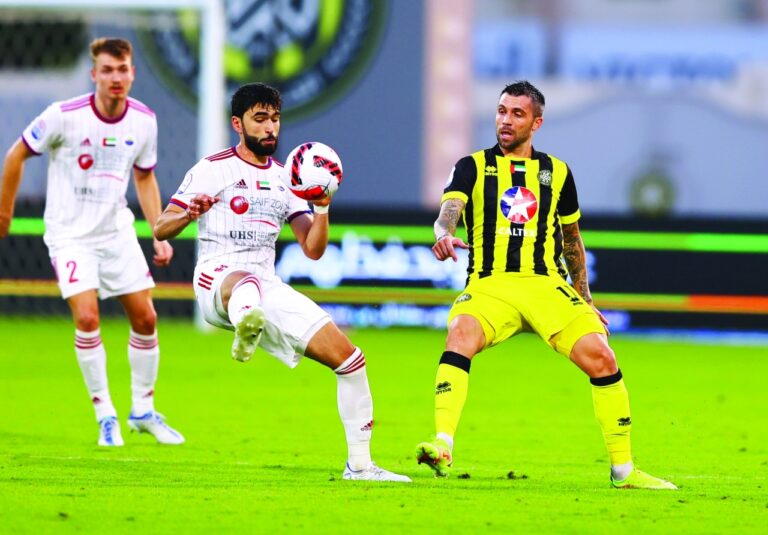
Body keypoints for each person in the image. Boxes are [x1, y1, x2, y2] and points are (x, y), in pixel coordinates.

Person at [414, 81, 676, 490]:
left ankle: (624, 471)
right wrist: (444, 233)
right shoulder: (472, 166)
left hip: (546, 284)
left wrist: (585, 300)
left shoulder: (558, 172)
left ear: (536, 123)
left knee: (602, 357)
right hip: (491, 284)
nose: (505, 120)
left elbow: (571, 239)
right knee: (459, 334)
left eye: (517, 114)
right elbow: (450, 210)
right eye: (501, 111)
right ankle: (443, 445)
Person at [154, 82, 410, 482]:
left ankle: (360, 467)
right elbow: (160, 227)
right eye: (260, 118)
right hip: (217, 278)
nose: (270, 127)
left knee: (351, 361)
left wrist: (322, 207)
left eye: (274, 118)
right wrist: (189, 213)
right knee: (246, 284)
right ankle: (245, 321)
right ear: (237, 124)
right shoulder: (211, 169)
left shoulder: (285, 179)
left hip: (266, 286)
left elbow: (313, 249)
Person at [0, 38, 184, 447]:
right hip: (69, 235)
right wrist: (4, 215)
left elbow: (144, 177)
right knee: (86, 318)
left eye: (122, 69)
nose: (116, 77)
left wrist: (159, 231)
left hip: (116, 232)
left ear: (133, 73)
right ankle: (105, 416)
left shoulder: (144, 121)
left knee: (147, 319)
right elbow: (15, 155)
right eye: (107, 70)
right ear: (94, 75)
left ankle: (143, 410)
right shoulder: (63, 116)